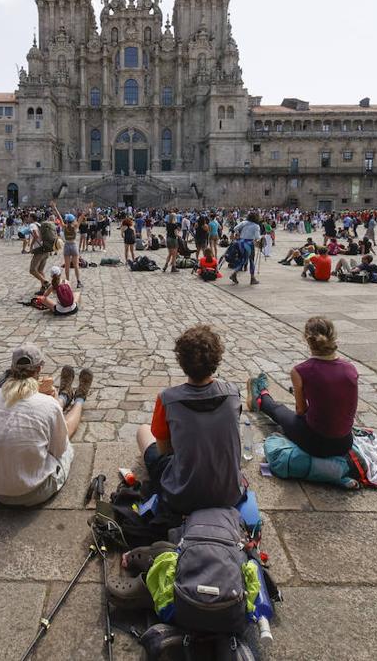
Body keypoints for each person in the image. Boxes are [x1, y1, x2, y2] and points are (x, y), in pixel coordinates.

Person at [135, 325, 244, 514]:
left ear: (181, 361)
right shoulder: (233, 394)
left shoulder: (167, 399)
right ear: (216, 360)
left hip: (182, 496)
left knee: (143, 432)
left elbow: (164, 449)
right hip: (229, 493)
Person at [0, 344, 93, 506]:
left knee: (47, 414)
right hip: (33, 492)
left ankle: (65, 396)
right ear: (39, 369)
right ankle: (79, 398)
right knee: (64, 439)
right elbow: (58, 450)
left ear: (12, 368)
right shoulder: (47, 404)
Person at [247, 317, 358, 459]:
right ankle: (262, 396)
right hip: (344, 443)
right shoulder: (351, 369)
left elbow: (301, 411)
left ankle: (262, 397)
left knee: (280, 411)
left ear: (307, 340)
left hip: (316, 443)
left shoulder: (300, 371)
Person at [230, 211, 262, 285]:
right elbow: (257, 237)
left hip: (240, 242)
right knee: (251, 260)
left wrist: (237, 234)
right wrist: (261, 238)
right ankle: (252, 278)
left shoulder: (244, 222)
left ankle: (235, 273)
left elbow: (235, 228)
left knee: (243, 259)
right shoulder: (256, 226)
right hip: (249, 244)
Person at [53, 204, 81, 288]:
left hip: (67, 245)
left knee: (67, 266)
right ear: (73, 220)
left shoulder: (64, 227)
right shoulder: (75, 227)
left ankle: (68, 282)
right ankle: (78, 282)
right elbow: (81, 217)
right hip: (73, 245)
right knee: (76, 265)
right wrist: (88, 209)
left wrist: (55, 207)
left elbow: (59, 217)